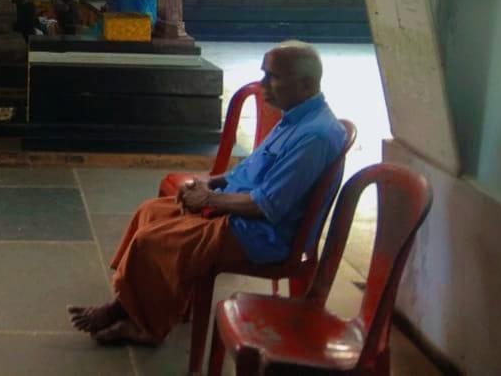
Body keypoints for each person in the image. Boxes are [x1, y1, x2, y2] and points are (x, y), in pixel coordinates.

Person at [68, 41, 347, 345]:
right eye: (264, 75)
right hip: (241, 212)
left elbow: (267, 205)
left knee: (154, 241)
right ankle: (127, 305)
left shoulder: (314, 136)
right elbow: (251, 170)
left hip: (261, 235)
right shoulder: (295, 116)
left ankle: (143, 326)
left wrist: (210, 200)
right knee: (150, 212)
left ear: (306, 83)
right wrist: (214, 183)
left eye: (273, 77)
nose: (264, 85)